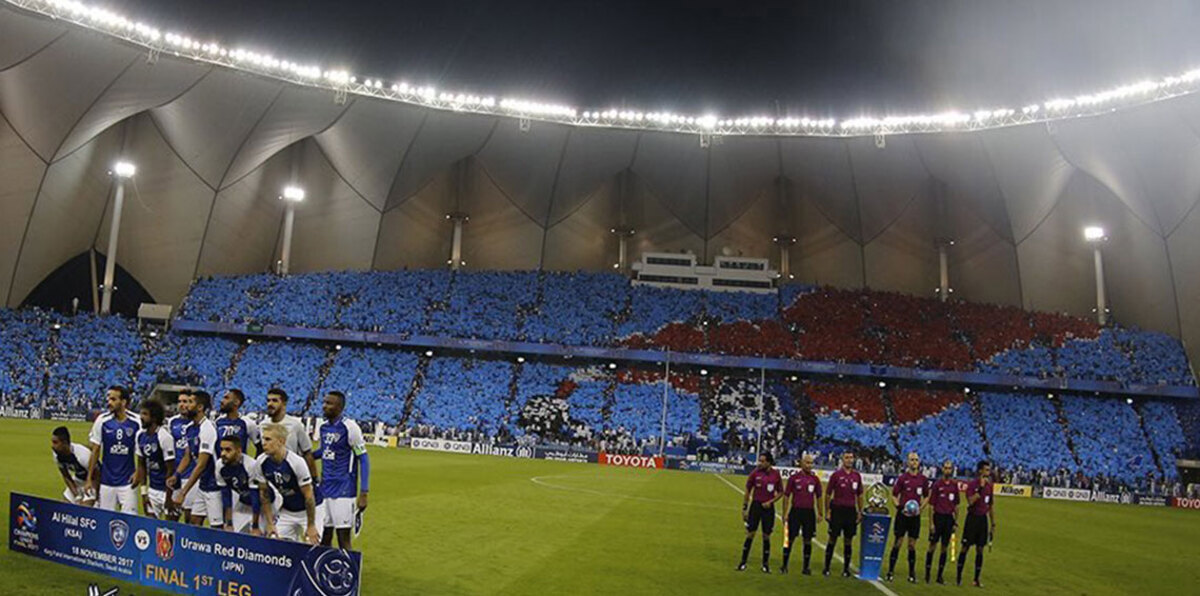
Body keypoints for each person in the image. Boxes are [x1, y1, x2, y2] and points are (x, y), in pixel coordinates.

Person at [315, 391, 370, 550]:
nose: (324, 406)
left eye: (329, 403)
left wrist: (364, 492)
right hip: (325, 488)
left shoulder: (350, 427)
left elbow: (363, 458)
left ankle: (348, 574)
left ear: (339, 407)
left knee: (343, 538)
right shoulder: (324, 427)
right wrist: (306, 455)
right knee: (324, 535)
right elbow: (324, 451)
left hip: (344, 490)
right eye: (324, 402)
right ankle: (321, 573)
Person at [255, 423, 321, 545]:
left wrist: (311, 525)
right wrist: (270, 524)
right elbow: (264, 494)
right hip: (287, 510)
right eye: (263, 439)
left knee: (312, 546)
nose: (263, 443)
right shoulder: (260, 462)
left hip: (311, 510)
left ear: (281, 441)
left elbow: (309, 496)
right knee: (273, 544)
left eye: (268, 439)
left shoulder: (296, 463)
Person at [170, 391, 223, 528]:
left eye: (190, 402)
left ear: (200, 407)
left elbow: (201, 464)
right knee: (194, 521)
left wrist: (183, 492)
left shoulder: (207, 429)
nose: (186, 406)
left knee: (217, 527)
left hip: (215, 485)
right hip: (203, 484)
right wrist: (177, 474)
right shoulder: (189, 428)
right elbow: (188, 455)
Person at [87, 386, 141, 514]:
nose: (109, 402)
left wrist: (139, 472)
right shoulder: (102, 420)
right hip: (106, 482)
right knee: (105, 520)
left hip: (128, 482)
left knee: (130, 519)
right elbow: (95, 450)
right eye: (108, 398)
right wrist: (89, 479)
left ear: (123, 402)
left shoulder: (136, 422)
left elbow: (141, 452)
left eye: (113, 399)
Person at [887, 452, 930, 583]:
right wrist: (899, 507)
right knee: (898, 543)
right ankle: (890, 571)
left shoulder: (923, 479)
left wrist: (920, 509)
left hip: (915, 517)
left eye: (916, 460)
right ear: (907, 462)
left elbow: (927, 496)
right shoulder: (902, 478)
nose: (914, 462)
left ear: (919, 462)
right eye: (912, 460)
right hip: (902, 516)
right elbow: (894, 495)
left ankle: (912, 574)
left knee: (912, 545)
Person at [737, 452, 781, 573]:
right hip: (755, 506)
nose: (759, 463)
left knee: (766, 535)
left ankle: (765, 564)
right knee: (750, 533)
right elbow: (747, 490)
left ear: (768, 462)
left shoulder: (776, 475)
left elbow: (781, 492)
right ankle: (743, 562)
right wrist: (745, 507)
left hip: (768, 509)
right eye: (759, 461)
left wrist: (771, 502)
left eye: (762, 461)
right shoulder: (755, 473)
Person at [779, 453, 823, 575]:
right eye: (807, 462)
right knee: (790, 539)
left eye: (811, 463)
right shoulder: (794, 478)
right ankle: (784, 565)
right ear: (801, 463)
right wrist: (785, 513)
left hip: (809, 513)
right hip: (795, 512)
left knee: (807, 540)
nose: (809, 465)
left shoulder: (815, 480)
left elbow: (819, 496)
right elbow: (787, 496)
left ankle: (806, 567)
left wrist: (820, 512)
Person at [823, 451, 864, 578]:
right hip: (837, 510)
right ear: (842, 459)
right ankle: (826, 567)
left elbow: (860, 495)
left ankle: (846, 569)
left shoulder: (857, 476)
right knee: (832, 538)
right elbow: (828, 494)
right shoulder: (836, 475)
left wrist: (860, 511)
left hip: (850, 511)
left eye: (851, 457)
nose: (849, 460)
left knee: (848, 540)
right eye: (847, 457)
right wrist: (828, 511)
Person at [133, 399, 176, 519]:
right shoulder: (140, 436)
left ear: (154, 418)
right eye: (141, 413)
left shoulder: (164, 437)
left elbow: (170, 469)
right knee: (149, 526)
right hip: (152, 490)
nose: (141, 417)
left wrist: (169, 497)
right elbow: (141, 465)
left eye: (145, 414)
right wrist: (143, 493)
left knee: (168, 531)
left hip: (167, 491)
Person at [957, 460, 996, 587]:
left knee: (980, 549)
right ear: (980, 471)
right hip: (972, 518)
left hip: (982, 520)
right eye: (986, 470)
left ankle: (976, 579)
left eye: (989, 470)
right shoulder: (972, 485)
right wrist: (980, 489)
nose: (988, 473)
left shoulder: (990, 487)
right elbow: (970, 501)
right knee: (965, 547)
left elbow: (990, 505)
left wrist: (993, 523)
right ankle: (959, 577)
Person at [214, 435, 262, 534]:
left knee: (263, 537)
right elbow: (226, 496)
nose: (223, 453)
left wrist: (255, 525)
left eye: (228, 450)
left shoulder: (251, 465)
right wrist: (229, 523)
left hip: (265, 504)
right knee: (231, 534)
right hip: (244, 502)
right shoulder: (220, 466)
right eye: (222, 449)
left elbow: (256, 497)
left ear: (239, 450)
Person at [926, 460, 960, 584]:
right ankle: (927, 574)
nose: (947, 470)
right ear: (942, 469)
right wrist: (931, 524)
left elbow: (956, 505)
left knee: (944, 547)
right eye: (946, 468)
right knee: (932, 546)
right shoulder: (937, 485)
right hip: (938, 518)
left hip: (948, 519)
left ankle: (940, 576)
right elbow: (931, 505)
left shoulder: (954, 486)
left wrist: (956, 521)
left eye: (949, 468)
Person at [165, 390, 194, 521]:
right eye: (180, 401)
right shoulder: (172, 422)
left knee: (189, 517)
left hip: (191, 474)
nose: (182, 404)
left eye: (186, 401)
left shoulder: (198, 424)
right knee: (171, 516)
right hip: (175, 473)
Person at [51, 426, 95, 506]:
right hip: (79, 479)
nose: (52, 446)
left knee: (84, 509)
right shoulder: (57, 454)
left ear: (64, 443)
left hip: (93, 481)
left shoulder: (83, 455)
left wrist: (95, 496)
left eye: (55, 442)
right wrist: (77, 495)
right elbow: (66, 476)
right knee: (65, 506)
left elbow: (98, 475)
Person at [216, 389, 262, 456]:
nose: (222, 401)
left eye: (226, 398)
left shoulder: (248, 423)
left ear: (236, 402)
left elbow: (258, 446)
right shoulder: (218, 421)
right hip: (220, 464)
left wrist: (253, 463)